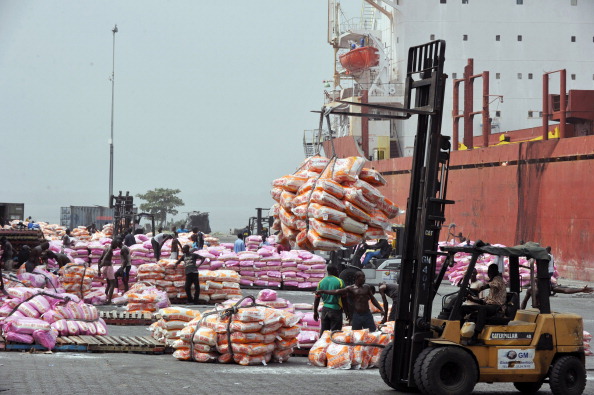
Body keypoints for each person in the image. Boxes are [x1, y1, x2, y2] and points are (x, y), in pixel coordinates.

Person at [317, 271, 383, 331]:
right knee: (356, 333)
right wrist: (323, 291)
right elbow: (337, 291)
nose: (364, 279)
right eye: (362, 278)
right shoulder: (351, 288)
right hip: (357, 315)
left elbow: (373, 299)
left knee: (371, 332)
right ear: (357, 278)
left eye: (364, 277)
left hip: (367, 314)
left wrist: (381, 309)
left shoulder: (367, 287)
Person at [460, 264, 507, 344]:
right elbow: (485, 301)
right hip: (489, 306)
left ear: (495, 272)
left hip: (497, 308)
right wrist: (472, 299)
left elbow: (494, 284)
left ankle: (475, 336)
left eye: (490, 271)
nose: (489, 273)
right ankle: (458, 329)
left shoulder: (498, 279)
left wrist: (481, 288)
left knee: (482, 309)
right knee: (464, 308)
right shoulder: (493, 286)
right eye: (488, 271)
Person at [313, 265, 349, 335]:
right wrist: (346, 311)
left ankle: (322, 345)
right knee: (335, 334)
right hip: (336, 310)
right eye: (337, 270)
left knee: (324, 333)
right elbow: (344, 298)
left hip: (325, 309)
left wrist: (315, 312)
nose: (337, 272)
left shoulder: (321, 282)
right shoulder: (340, 281)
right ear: (334, 271)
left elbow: (317, 298)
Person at [521, 282, 593, 309]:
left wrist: (580, 290)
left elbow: (565, 290)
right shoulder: (531, 289)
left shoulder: (548, 287)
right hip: (535, 308)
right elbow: (524, 301)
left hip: (544, 309)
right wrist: (521, 312)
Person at [98, 240, 118, 304]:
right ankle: (109, 300)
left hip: (104, 268)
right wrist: (101, 264)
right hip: (108, 267)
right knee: (113, 283)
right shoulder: (110, 250)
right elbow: (104, 258)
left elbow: (99, 259)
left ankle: (106, 296)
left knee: (108, 283)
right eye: (116, 245)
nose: (116, 247)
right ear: (114, 244)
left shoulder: (106, 249)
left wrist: (99, 269)